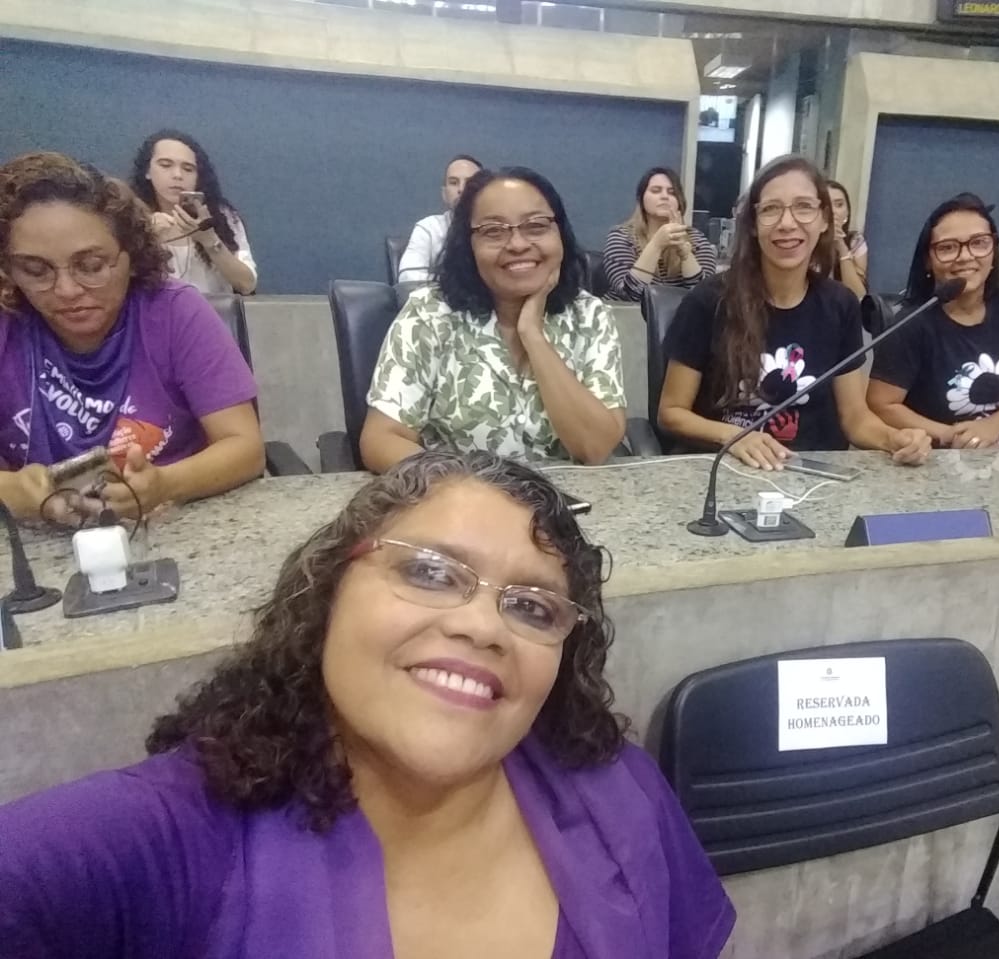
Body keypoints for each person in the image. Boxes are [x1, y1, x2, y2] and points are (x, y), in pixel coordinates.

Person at [0, 450, 737, 958]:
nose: (483, 626)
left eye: (532, 607)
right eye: (430, 572)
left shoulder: (619, 796)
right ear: (328, 590)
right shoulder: (174, 839)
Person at [0, 152, 264, 522]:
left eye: (92, 266)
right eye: (35, 270)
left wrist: (164, 484)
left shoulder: (175, 312)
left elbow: (245, 448)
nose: (66, 290)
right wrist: (12, 490)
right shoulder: (8, 324)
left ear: (132, 256)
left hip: (170, 524)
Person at [657, 154, 931, 470]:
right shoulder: (708, 301)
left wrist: (894, 438)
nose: (787, 224)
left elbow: (855, 419)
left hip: (811, 472)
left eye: (803, 207)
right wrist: (734, 437)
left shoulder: (840, 304)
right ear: (753, 225)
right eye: (771, 209)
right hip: (728, 469)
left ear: (825, 220)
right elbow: (671, 412)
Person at [362, 167, 626, 468]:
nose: (517, 244)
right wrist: (461, 485)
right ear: (468, 245)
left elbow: (595, 449)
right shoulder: (429, 313)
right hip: (455, 492)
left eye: (536, 226)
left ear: (560, 234)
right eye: (493, 231)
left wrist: (532, 334)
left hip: (568, 496)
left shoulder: (589, 315)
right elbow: (381, 439)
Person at [866, 193, 999, 449]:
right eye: (947, 248)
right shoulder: (911, 323)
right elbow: (882, 404)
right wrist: (955, 436)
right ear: (928, 260)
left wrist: (995, 424)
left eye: (978, 243)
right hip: (941, 451)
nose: (965, 256)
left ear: (994, 251)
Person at [130, 129, 258, 296]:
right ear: (147, 171)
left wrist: (209, 240)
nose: (177, 175)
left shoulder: (222, 217)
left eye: (188, 169)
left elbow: (247, 285)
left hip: (212, 311)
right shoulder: (130, 216)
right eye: (166, 165)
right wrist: (144, 238)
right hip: (154, 311)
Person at [602, 167, 716, 301]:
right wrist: (656, 245)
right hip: (626, 312)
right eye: (656, 191)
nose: (664, 196)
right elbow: (630, 295)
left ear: (679, 201)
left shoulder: (697, 241)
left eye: (672, 192)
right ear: (641, 199)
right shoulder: (621, 237)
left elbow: (703, 298)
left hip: (676, 313)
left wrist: (685, 254)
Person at [399, 154, 483, 282]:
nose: (461, 189)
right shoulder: (429, 228)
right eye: (453, 183)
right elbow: (408, 277)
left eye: (470, 182)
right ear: (444, 193)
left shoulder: (498, 229)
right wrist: (455, 286)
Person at [826, 180, 868, 298]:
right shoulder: (805, 241)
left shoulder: (855, 241)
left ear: (847, 212)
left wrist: (841, 246)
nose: (833, 211)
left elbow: (859, 295)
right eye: (827, 204)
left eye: (839, 205)